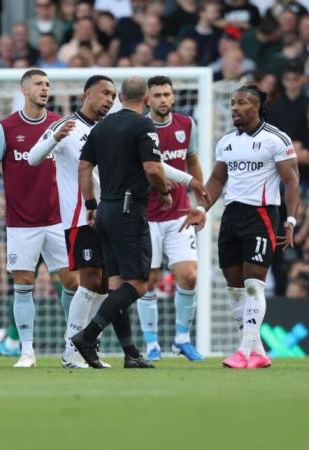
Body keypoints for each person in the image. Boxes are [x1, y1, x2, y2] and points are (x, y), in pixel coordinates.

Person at [70, 76, 207, 369]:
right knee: (140, 284)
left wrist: (91, 205)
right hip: (129, 212)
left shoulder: (102, 125)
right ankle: (88, 335)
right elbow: (152, 167)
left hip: (105, 210)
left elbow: (84, 166)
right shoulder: (143, 125)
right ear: (146, 99)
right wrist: (164, 189)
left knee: (118, 283)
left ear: (120, 96)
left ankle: (131, 353)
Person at [189, 85, 300, 369]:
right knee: (235, 287)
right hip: (231, 216)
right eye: (233, 102)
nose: (235, 108)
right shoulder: (226, 141)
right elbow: (216, 180)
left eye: (241, 103)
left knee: (253, 285)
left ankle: (243, 350)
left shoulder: (276, 139)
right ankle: (259, 352)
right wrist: (202, 209)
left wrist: (290, 219)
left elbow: (291, 180)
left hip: (261, 215)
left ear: (257, 107)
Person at [0, 69, 79, 368]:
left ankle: (73, 347)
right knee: (23, 283)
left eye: (48, 84)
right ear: (24, 90)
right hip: (22, 222)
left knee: (72, 282)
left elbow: (78, 164)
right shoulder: (7, 128)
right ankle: (26, 351)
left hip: (57, 219)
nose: (45, 89)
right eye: (39, 84)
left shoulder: (60, 125)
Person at [28, 75, 116, 368]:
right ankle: (70, 349)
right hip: (79, 217)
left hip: (109, 217)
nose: (108, 99)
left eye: (113, 95)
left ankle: (88, 347)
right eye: (104, 93)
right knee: (89, 280)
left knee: (103, 285)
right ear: (87, 93)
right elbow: (32, 158)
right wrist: (55, 138)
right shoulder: (66, 126)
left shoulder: (108, 129)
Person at [136, 76, 204, 362]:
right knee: (147, 280)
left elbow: (193, 162)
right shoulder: (139, 128)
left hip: (178, 214)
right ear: (147, 100)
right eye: (158, 95)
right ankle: (151, 343)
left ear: (173, 97)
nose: (163, 99)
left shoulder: (187, 125)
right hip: (146, 215)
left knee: (189, 276)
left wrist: (200, 206)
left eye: (167, 94)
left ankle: (182, 339)